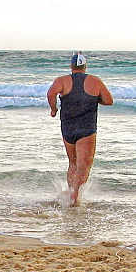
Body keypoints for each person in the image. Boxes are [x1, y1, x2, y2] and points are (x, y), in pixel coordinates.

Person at [47, 51, 113, 206]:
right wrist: (93, 100)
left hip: (67, 127)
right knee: (84, 164)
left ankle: (70, 193)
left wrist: (53, 109)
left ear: (71, 66)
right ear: (85, 66)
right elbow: (109, 100)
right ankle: (75, 196)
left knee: (73, 163)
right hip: (86, 128)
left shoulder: (62, 80)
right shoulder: (94, 81)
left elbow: (51, 93)